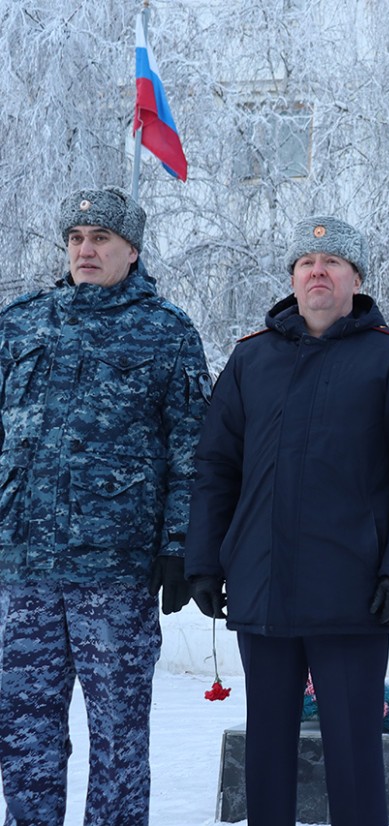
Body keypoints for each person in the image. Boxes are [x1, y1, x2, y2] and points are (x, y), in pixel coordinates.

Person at [185, 216, 389, 826]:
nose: (318, 272)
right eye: (306, 263)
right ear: (292, 279)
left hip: (353, 592)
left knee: (353, 751)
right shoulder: (252, 359)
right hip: (264, 586)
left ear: (355, 279)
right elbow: (216, 465)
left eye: (332, 264)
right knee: (267, 749)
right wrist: (204, 559)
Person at [0, 187, 210, 823]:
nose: (85, 250)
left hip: (115, 571)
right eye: (76, 239)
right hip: (26, 567)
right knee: (23, 732)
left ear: (132, 251)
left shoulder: (165, 332)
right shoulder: (22, 322)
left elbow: (192, 450)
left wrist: (179, 547)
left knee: (118, 734)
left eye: (100, 240)